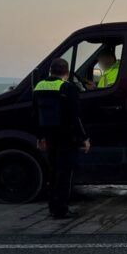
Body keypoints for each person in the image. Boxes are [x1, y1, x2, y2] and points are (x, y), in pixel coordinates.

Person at [33, 58, 91, 219]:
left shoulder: (39, 87)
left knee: (53, 172)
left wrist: (39, 136)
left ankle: (53, 206)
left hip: (50, 137)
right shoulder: (67, 88)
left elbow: (35, 114)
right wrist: (85, 138)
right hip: (67, 137)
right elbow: (76, 116)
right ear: (66, 72)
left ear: (51, 71)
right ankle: (61, 209)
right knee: (65, 174)